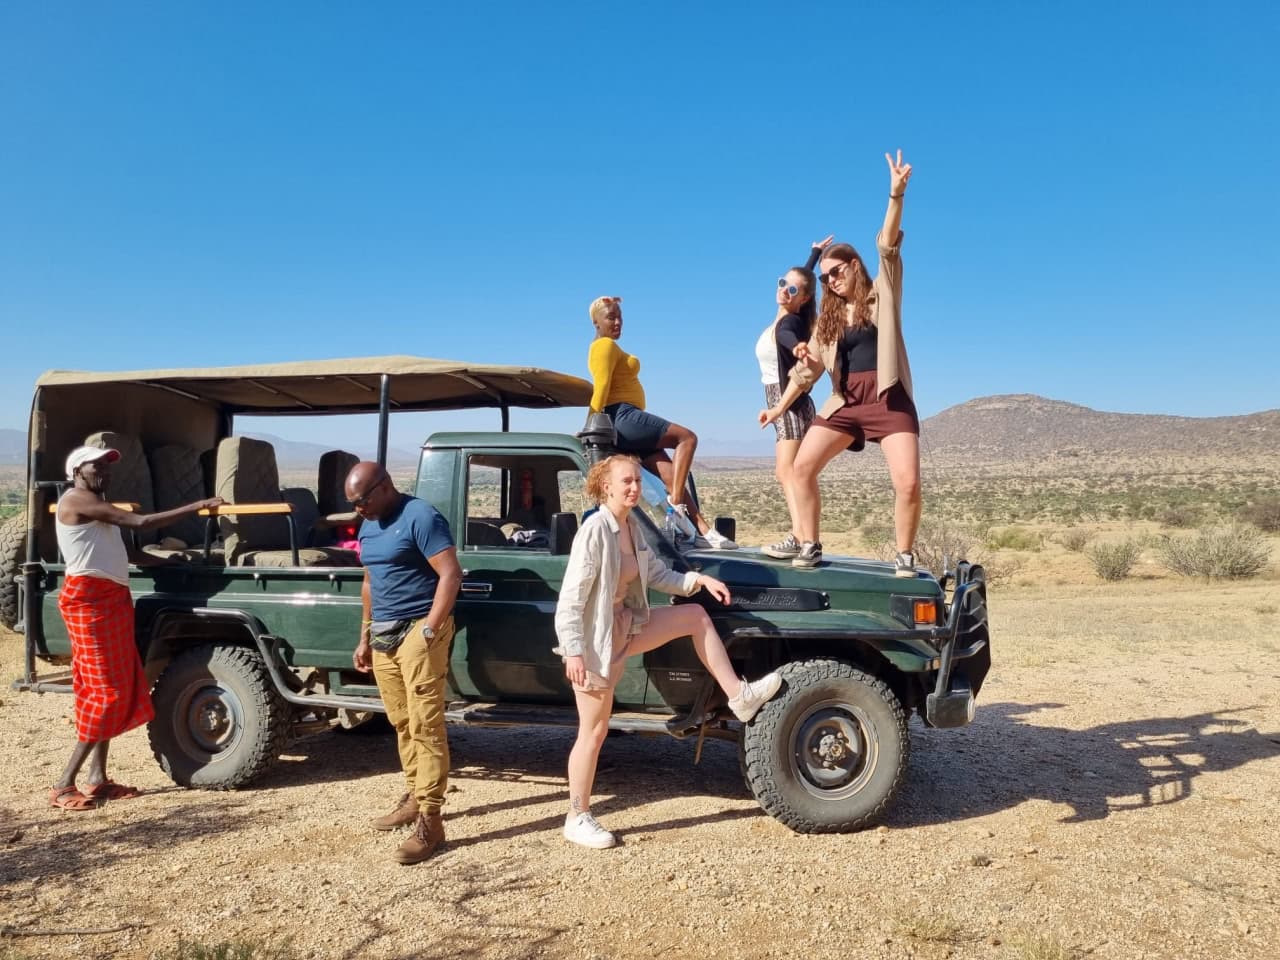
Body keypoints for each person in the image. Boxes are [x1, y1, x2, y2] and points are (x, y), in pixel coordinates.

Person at [552, 454, 782, 849]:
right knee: (593, 732)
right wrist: (573, 652)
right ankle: (577, 816)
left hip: (626, 625)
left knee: (695, 616)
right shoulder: (595, 530)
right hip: (595, 642)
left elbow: (657, 574)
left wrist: (700, 581)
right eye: (626, 481)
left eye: (638, 481)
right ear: (605, 486)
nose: (634, 488)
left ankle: (739, 697)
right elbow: (570, 600)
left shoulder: (630, 527)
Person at [760, 150, 922, 575]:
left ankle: (904, 555)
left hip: (887, 397)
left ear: (854, 267)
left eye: (836, 271)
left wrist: (895, 195)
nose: (831, 279)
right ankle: (809, 543)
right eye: (825, 276)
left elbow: (887, 246)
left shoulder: (882, 294)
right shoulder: (828, 320)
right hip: (845, 402)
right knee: (799, 468)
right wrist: (778, 408)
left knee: (907, 483)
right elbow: (807, 369)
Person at [51, 445, 223, 811]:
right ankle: (64, 784)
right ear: (78, 471)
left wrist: (169, 560)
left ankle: (97, 778)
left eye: (106, 467)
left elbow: (121, 553)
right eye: (97, 466)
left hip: (111, 600)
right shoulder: (77, 500)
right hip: (90, 601)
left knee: (116, 681)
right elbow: (142, 524)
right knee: (105, 692)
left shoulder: (95, 506)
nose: (105, 472)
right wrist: (198, 506)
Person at [347, 462, 462, 865]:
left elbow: (450, 575)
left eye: (361, 500)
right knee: (401, 721)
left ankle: (431, 819)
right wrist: (364, 636)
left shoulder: (421, 516)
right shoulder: (368, 524)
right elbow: (369, 582)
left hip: (418, 629)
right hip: (383, 634)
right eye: (352, 503)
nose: (357, 509)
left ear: (384, 487)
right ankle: (414, 795)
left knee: (426, 723)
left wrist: (430, 630)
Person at [586, 296, 737, 550]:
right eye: (611, 317)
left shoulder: (609, 346)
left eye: (620, 316)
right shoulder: (603, 347)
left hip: (629, 423)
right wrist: (590, 426)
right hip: (622, 416)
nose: (617, 322)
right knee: (687, 438)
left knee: (672, 476)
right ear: (596, 322)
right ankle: (677, 506)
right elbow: (600, 388)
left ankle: (702, 530)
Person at [757, 236, 831, 560]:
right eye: (782, 283)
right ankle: (801, 536)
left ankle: (802, 537)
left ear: (803, 299)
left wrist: (798, 348)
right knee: (788, 472)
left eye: (792, 290)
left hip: (788, 402)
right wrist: (813, 255)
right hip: (784, 403)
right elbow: (801, 279)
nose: (784, 290)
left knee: (790, 472)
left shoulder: (790, 322)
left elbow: (788, 336)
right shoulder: (788, 311)